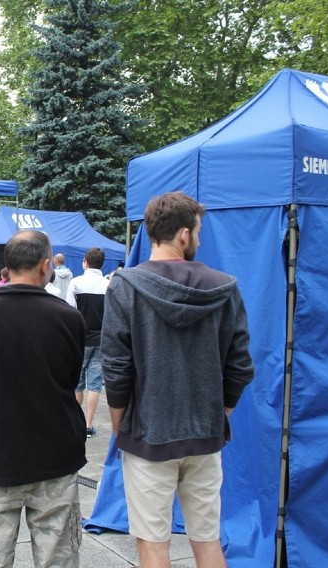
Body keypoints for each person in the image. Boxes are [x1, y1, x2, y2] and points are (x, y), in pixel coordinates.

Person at [101, 192, 255, 568]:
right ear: (184, 235)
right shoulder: (224, 287)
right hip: (204, 434)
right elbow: (241, 364)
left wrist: (121, 423)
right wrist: (221, 412)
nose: (199, 240)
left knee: (153, 545)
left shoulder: (125, 285)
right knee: (207, 541)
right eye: (198, 232)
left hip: (149, 435)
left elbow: (116, 366)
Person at [0, 230, 88, 567]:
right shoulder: (69, 318)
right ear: (46, 266)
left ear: (7, 266)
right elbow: (71, 381)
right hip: (55, 452)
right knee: (57, 555)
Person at [69, 247, 109, 438]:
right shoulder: (108, 285)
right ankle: (88, 425)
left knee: (77, 382)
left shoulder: (76, 283)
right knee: (95, 383)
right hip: (101, 339)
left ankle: (74, 423)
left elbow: (70, 311)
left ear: (85, 261)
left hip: (80, 339)